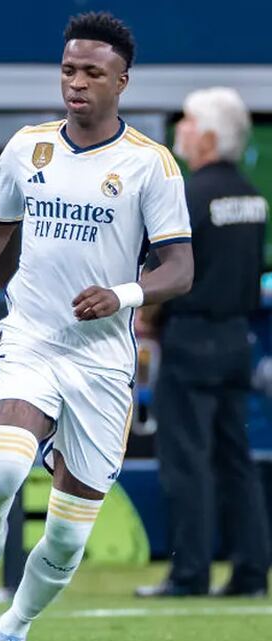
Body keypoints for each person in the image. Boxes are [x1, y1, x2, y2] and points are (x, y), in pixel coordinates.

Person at [0, 12, 193, 641]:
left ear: (122, 81)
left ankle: (14, 629)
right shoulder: (27, 148)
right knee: (1, 474)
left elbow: (179, 269)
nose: (77, 82)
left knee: (66, 538)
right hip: (32, 340)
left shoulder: (150, 165)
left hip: (101, 364)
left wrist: (124, 294)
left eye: (93, 72)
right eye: (69, 69)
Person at [136, 88, 271, 599]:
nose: (180, 131)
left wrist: (146, 313)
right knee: (236, 458)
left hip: (191, 337)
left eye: (188, 122)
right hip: (238, 337)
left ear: (209, 136)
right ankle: (251, 572)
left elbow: (168, 269)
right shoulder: (252, 198)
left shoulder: (189, 195)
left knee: (186, 458)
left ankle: (189, 572)